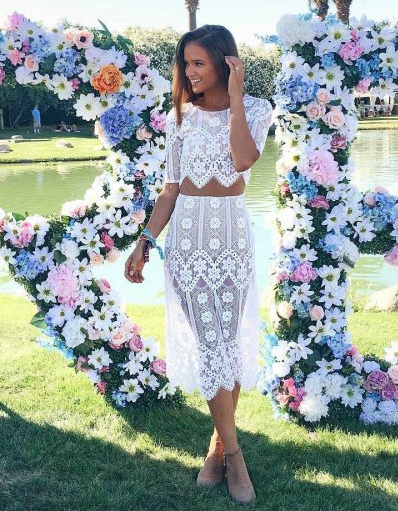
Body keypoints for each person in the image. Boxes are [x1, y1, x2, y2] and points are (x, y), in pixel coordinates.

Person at [124, 25, 272, 505]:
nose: (189, 72)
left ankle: (217, 447)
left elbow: (244, 159)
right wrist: (145, 240)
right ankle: (235, 455)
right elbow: (170, 189)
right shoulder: (180, 117)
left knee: (226, 342)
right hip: (188, 237)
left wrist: (234, 97)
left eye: (198, 63)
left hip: (230, 234)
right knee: (210, 343)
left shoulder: (255, 109)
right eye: (185, 63)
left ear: (225, 63)